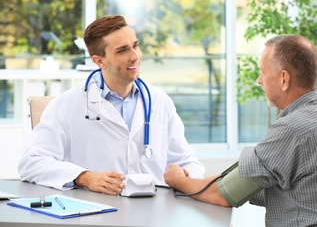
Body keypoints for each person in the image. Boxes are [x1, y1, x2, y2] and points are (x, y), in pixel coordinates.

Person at [164, 35, 317, 226]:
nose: (259, 80)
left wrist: (180, 181)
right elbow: (269, 183)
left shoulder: (291, 130)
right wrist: (202, 182)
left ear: (284, 79)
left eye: (263, 72)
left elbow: (225, 195)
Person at [18, 15, 205, 195]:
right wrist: (84, 177)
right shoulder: (66, 105)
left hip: (154, 211)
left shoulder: (159, 101)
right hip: (97, 211)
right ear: (99, 61)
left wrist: (186, 177)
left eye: (135, 45)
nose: (135, 56)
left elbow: (187, 162)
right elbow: (31, 162)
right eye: (122, 50)